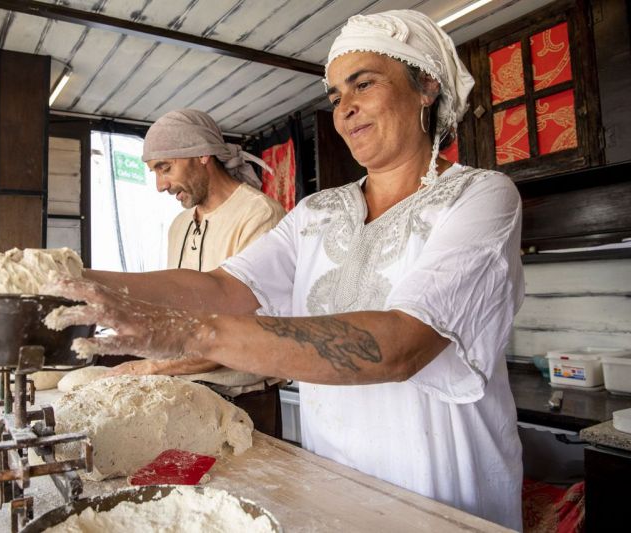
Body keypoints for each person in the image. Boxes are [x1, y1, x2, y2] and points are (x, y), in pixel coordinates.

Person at [45, 10, 523, 529]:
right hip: (335, 477)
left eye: (364, 84)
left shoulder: (481, 197)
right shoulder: (317, 213)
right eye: (337, 96)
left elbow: (402, 345)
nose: (346, 110)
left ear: (426, 85)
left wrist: (193, 333)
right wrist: (66, 277)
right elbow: (221, 289)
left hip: (440, 489)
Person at [102, 109, 287, 438]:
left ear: (202, 154)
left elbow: (245, 333)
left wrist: (150, 367)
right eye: (155, 172)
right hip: (185, 396)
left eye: (165, 168)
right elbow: (179, 317)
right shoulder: (179, 226)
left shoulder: (259, 216)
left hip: (245, 404)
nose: (160, 186)